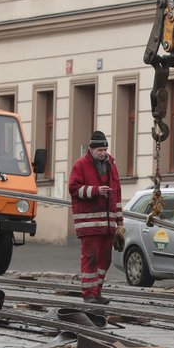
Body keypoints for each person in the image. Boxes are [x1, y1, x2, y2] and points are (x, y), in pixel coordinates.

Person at [68, 130, 123, 304]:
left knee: (104, 259)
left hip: (108, 225)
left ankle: (97, 292)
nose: (102, 153)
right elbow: (73, 188)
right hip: (89, 224)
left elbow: (118, 196)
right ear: (91, 149)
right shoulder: (80, 165)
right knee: (90, 258)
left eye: (104, 150)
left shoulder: (111, 166)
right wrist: (95, 191)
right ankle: (89, 294)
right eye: (99, 150)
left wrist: (119, 224)